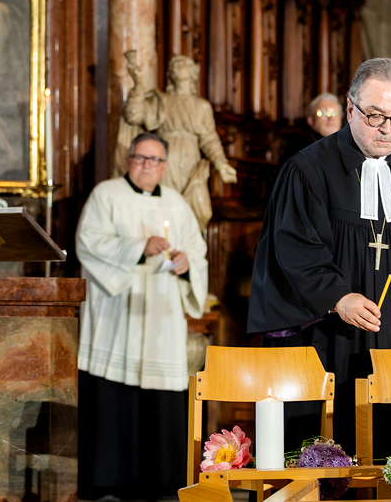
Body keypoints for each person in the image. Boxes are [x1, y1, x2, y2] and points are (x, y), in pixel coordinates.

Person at [248, 58, 391, 453]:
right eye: (376, 115)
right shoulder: (308, 170)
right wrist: (338, 296)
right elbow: (294, 248)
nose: (387, 129)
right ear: (350, 109)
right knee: (316, 458)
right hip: (323, 342)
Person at [75, 132, 209, 499]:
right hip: (118, 312)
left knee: (161, 396)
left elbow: (197, 250)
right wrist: (138, 247)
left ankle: (162, 481)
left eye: (155, 160)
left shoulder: (177, 203)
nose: (147, 165)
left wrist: (186, 263)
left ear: (164, 166)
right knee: (114, 393)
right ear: (128, 160)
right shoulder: (106, 195)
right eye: (140, 158)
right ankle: (108, 480)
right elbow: (88, 242)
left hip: (162, 312)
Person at [123, 53, 237, 230]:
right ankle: (166, 245)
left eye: (181, 64)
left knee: (202, 212)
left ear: (192, 72)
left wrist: (221, 164)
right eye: (173, 66)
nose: (176, 68)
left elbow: (209, 138)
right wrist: (138, 85)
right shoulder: (162, 101)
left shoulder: (201, 106)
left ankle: (190, 246)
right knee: (166, 209)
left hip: (191, 162)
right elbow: (134, 116)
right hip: (165, 161)